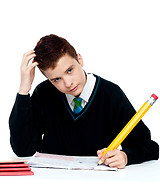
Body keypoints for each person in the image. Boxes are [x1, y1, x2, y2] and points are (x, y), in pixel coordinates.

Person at [9, 34, 159, 169]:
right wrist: (23, 90)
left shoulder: (110, 94)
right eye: (56, 79)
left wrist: (126, 156)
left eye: (69, 70)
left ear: (80, 59)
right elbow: (22, 149)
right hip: (53, 180)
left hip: (98, 182)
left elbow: (150, 147)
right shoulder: (43, 93)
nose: (68, 83)